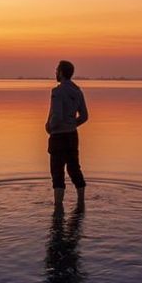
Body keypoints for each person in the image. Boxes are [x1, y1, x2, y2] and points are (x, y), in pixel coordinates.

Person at [45, 59, 88, 206]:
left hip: (58, 137)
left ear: (62, 73)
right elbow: (84, 116)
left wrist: (50, 127)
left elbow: (56, 115)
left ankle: (58, 208)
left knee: (57, 174)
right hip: (72, 136)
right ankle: (81, 203)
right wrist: (71, 124)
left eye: (57, 70)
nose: (55, 72)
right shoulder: (77, 91)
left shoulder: (57, 91)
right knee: (74, 169)